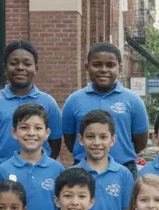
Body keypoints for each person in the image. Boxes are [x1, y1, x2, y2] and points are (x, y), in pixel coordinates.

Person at [0, 41, 63, 181]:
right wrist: (6, 163)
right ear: (5, 68)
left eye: (27, 64)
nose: (20, 68)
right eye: (14, 63)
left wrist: (41, 163)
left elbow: (54, 141)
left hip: (39, 169)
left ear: (36, 68)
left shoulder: (48, 102)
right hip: (1, 169)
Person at [62, 43, 149, 172]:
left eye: (110, 65)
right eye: (97, 65)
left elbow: (141, 141)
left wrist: (118, 156)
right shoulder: (73, 101)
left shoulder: (133, 100)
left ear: (119, 68)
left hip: (124, 168)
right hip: (83, 170)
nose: (103, 69)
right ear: (87, 67)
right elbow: (70, 140)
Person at [0, 103, 63, 210]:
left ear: (47, 133)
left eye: (38, 128)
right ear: (14, 132)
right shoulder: (3, 170)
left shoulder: (57, 168)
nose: (31, 133)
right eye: (24, 128)